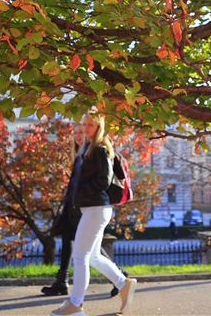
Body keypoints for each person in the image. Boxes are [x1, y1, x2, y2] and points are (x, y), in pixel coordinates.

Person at [49, 111, 138, 316]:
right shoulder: (87, 148)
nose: (87, 128)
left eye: (91, 125)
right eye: (85, 124)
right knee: (93, 257)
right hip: (92, 208)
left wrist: (82, 191)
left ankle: (76, 305)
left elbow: (104, 179)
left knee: (80, 256)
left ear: (99, 127)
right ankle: (122, 283)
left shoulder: (99, 148)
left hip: (96, 208)